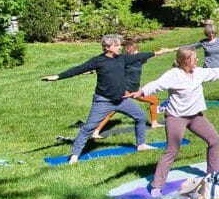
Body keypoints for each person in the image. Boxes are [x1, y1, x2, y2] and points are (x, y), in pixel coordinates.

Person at [131, 48, 219, 197]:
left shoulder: (198, 72)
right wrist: (142, 92)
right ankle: (156, 186)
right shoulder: (173, 75)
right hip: (176, 117)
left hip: (196, 116)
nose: (197, 60)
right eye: (194, 58)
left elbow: (215, 72)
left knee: (214, 140)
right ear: (185, 61)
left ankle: (212, 175)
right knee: (172, 149)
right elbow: (157, 84)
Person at [42, 34, 171, 164]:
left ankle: (141, 145)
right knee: (88, 128)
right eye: (117, 45)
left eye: (119, 45)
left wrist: (157, 53)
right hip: (103, 101)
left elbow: (139, 56)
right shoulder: (98, 61)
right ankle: (75, 155)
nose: (120, 47)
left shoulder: (122, 59)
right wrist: (58, 76)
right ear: (108, 47)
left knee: (141, 117)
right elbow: (78, 69)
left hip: (122, 100)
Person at [91, 39, 169, 138]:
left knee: (153, 100)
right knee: (112, 111)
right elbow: (108, 66)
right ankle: (95, 131)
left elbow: (150, 56)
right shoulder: (124, 61)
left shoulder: (138, 61)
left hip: (135, 90)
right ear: (130, 52)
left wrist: (162, 52)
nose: (139, 53)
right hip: (125, 90)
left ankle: (154, 123)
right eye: (136, 51)